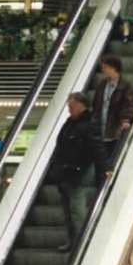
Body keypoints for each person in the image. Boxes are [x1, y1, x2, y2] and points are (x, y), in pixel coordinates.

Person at [50, 92, 100, 250]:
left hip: (79, 173)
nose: (69, 110)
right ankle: (72, 241)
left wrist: (105, 168)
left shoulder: (89, 124)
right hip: (64, 173)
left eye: (71, 106)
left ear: (80, 105)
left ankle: (82, 244)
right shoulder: (69, 123)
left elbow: (96, 149)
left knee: (77, 211)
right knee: (67, 211)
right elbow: (60, 146)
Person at [90, 53, 133, 185]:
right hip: (101, 128)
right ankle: (100, 184)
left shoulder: (125, 86)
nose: (103, 70)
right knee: (100, 159)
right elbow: (96, 105)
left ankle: (108, 184)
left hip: (114, 130)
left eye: (105, 67)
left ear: (113, 68)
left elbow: (129, 104)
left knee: (111, 158)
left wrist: (126, 120)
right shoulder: (102, 85)